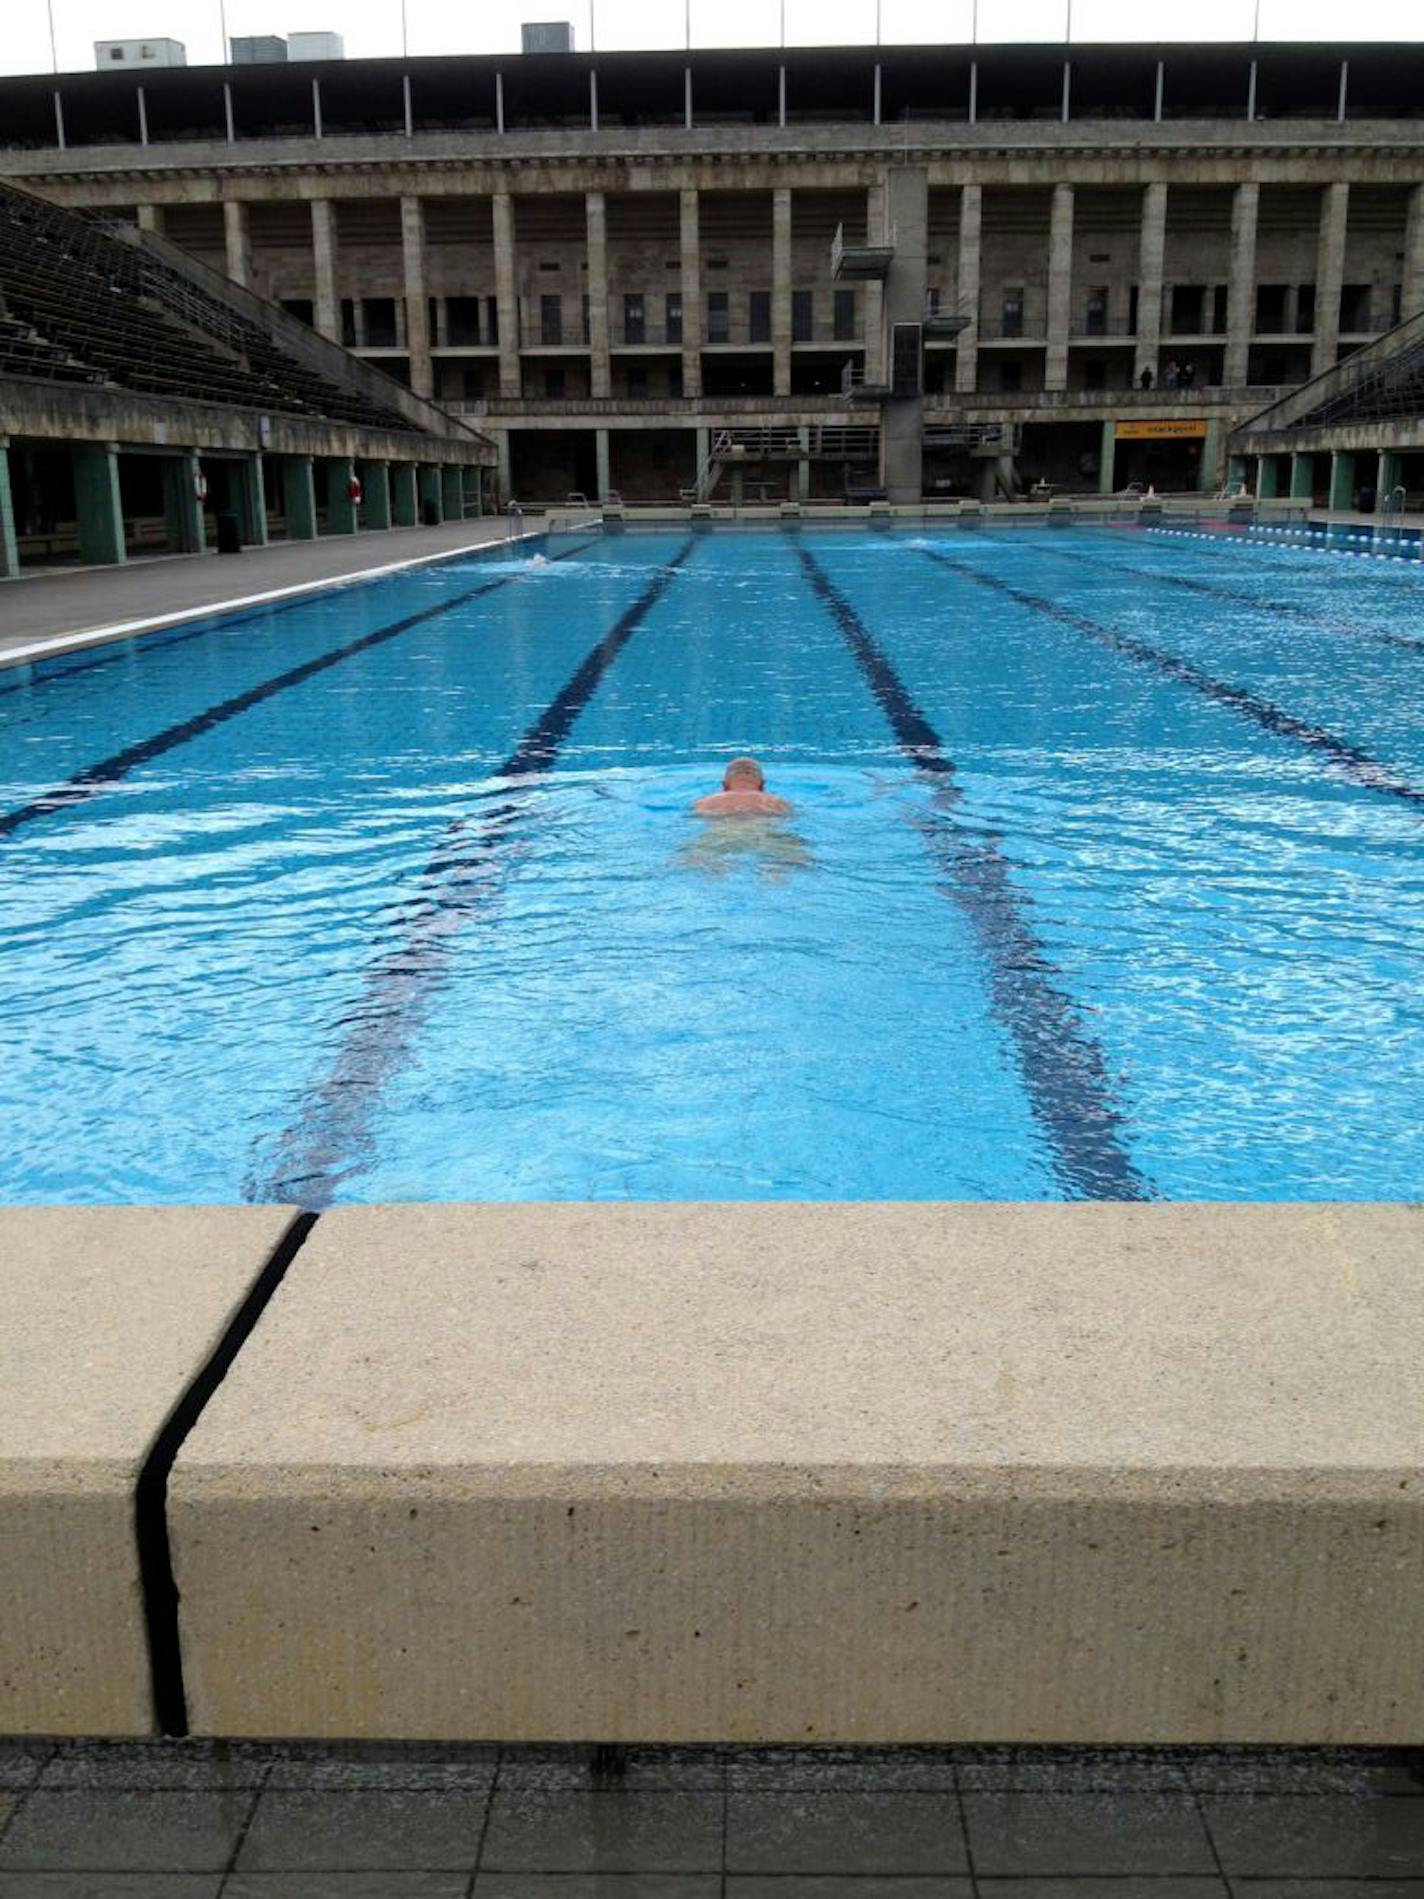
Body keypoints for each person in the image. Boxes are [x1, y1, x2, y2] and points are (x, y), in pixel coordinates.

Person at [693, 757, 792, 819]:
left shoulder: (705, 803)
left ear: (724, 786)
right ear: (762, 786)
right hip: (762, 831)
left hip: (722, 833)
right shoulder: (777, 802)